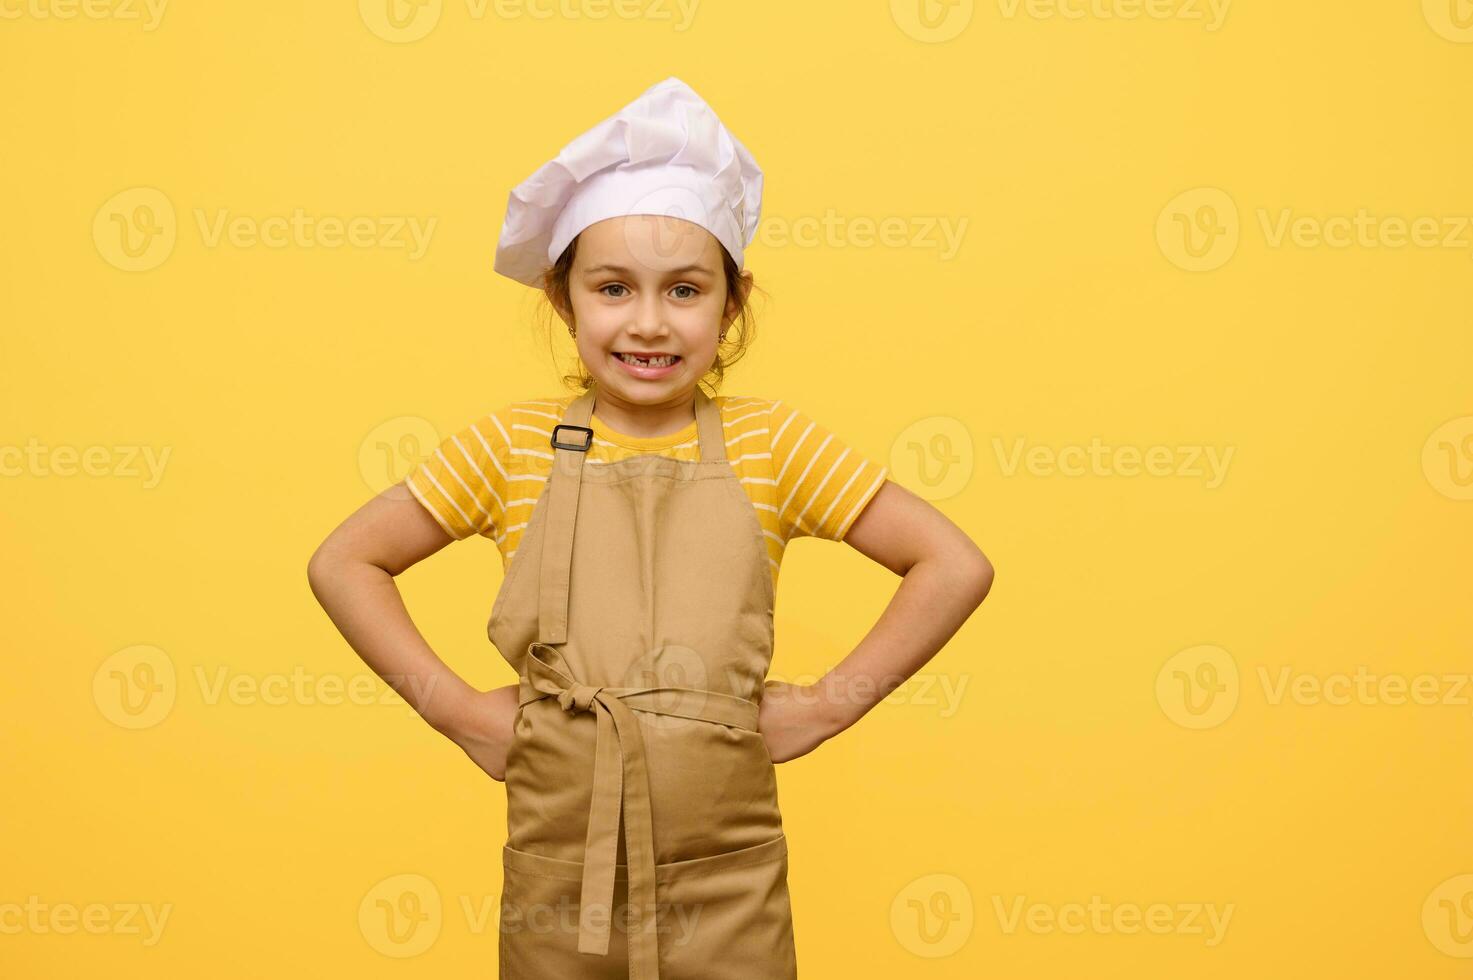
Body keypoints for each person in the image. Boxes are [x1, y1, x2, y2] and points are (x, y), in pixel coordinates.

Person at [307, 76, 995, 980]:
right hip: (563, 885)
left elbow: (952, 563)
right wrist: (462, 716)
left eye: (683, 290)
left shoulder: (773, 442)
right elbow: (345, 561)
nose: (647, 322)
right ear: (564, 301)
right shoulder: (510, 446)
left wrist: (829, 706)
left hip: (730, 888)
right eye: (612, 288)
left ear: (730, 304)